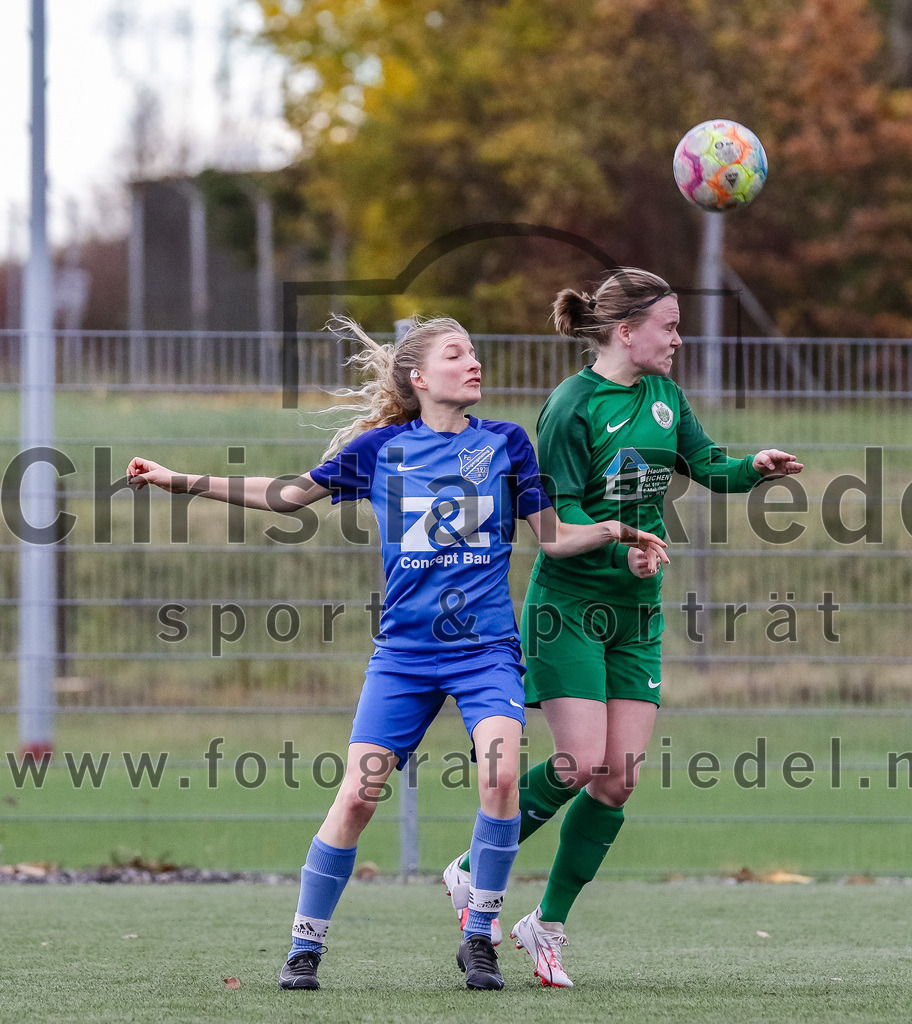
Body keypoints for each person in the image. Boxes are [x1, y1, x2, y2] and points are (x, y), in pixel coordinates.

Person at [126, 316, 667, 993]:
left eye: (473, 350)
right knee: (358, 795)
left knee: (500, 779)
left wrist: (617, 530)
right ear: (418, 377)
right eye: (455, 353)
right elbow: (289, 495)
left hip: (485, 651)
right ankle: (304, 945)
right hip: (405, 655)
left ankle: (478, 937)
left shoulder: (505, 443)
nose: (473, 362)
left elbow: (552, 538)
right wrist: (184, 481)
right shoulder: (381, 448)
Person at [443, 269, 804, 987]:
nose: (678, 338)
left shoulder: (665, 398)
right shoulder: (570, 407)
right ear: (625, 330)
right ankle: (471, 867)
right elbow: (560, 520)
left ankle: (544, 925)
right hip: (568, 607)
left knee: (617, 780)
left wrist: (751, 468)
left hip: (635, 610)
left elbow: (702, 464)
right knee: (577, 763)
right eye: (668, 326)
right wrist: (624, 543)